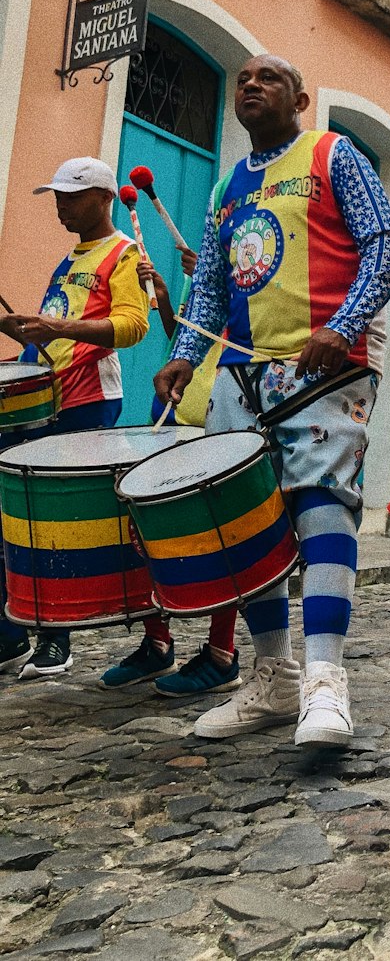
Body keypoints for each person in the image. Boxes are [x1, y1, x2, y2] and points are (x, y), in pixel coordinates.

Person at [154, 54, 390, 748]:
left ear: (300, 95)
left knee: (323, 504)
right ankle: (274, 677)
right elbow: (209, 278)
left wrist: (344, 325)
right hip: (239, 375)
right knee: (251, 524)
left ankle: (326, 677)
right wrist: (181, 355)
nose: (250, 85)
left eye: (268, 77)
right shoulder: (225, 187)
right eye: (242, 79)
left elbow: (386, 243)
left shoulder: (336, 153)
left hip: (324, 367)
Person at [0, 158, 148, 678]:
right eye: (57, 195)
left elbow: (133, 327)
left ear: (106, 197)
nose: (61, 205)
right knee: (14, 517)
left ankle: (56, 638)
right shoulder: (71, 258)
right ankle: (11, 631)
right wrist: (21, 328)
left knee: (55, 523)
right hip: (43, 396)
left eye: (72, 195)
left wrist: (56, 326)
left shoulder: (123, 254)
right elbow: (52, 331)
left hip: (87, 397)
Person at [98, 249, 241, 696]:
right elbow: (187, 343)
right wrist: (165, 296)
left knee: (223, 541)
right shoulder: (201, 276)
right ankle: (156, 643)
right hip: (176, 422)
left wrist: (219, 286)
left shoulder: (258, 279)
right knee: (145, 533)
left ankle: (222, 654)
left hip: (223, 427)